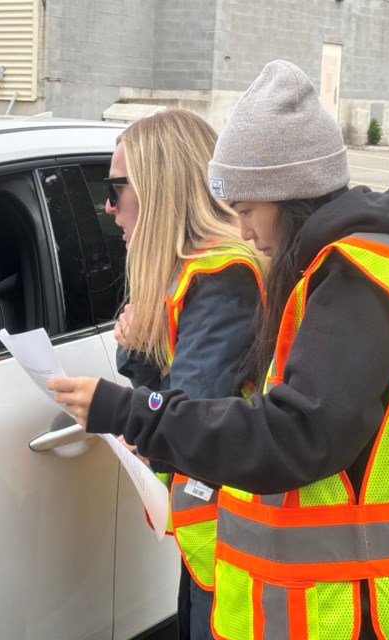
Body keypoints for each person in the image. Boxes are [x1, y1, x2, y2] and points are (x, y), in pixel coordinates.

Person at [50, 60, 389, 640]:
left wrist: (127, 410)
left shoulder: (357, 278)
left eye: (245, 211)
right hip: (377, 588)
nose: (242, 232)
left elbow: (297, 436)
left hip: (381, 600)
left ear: (286, 197)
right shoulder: (341, 267)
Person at [103, 108, 264, 640]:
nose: (108, 208)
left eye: (116, 189)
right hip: (211, 535)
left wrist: (136, 355)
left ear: (157, 190)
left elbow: (183, 426)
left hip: (237, 539)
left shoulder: (222, 277)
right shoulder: (192, 276)